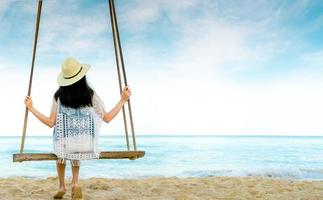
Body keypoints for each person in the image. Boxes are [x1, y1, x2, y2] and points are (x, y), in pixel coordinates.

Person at [24, 57, 131, 200]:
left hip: (64, 146)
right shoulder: (90, 95)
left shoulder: (58, 97)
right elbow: (108, 118)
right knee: (76, 148)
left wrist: (31, 108)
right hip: (87, 144)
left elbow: (51, 123)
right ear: (82, 76)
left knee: (62, 148)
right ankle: (75, 183)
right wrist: (123, 99)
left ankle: (62, 186)